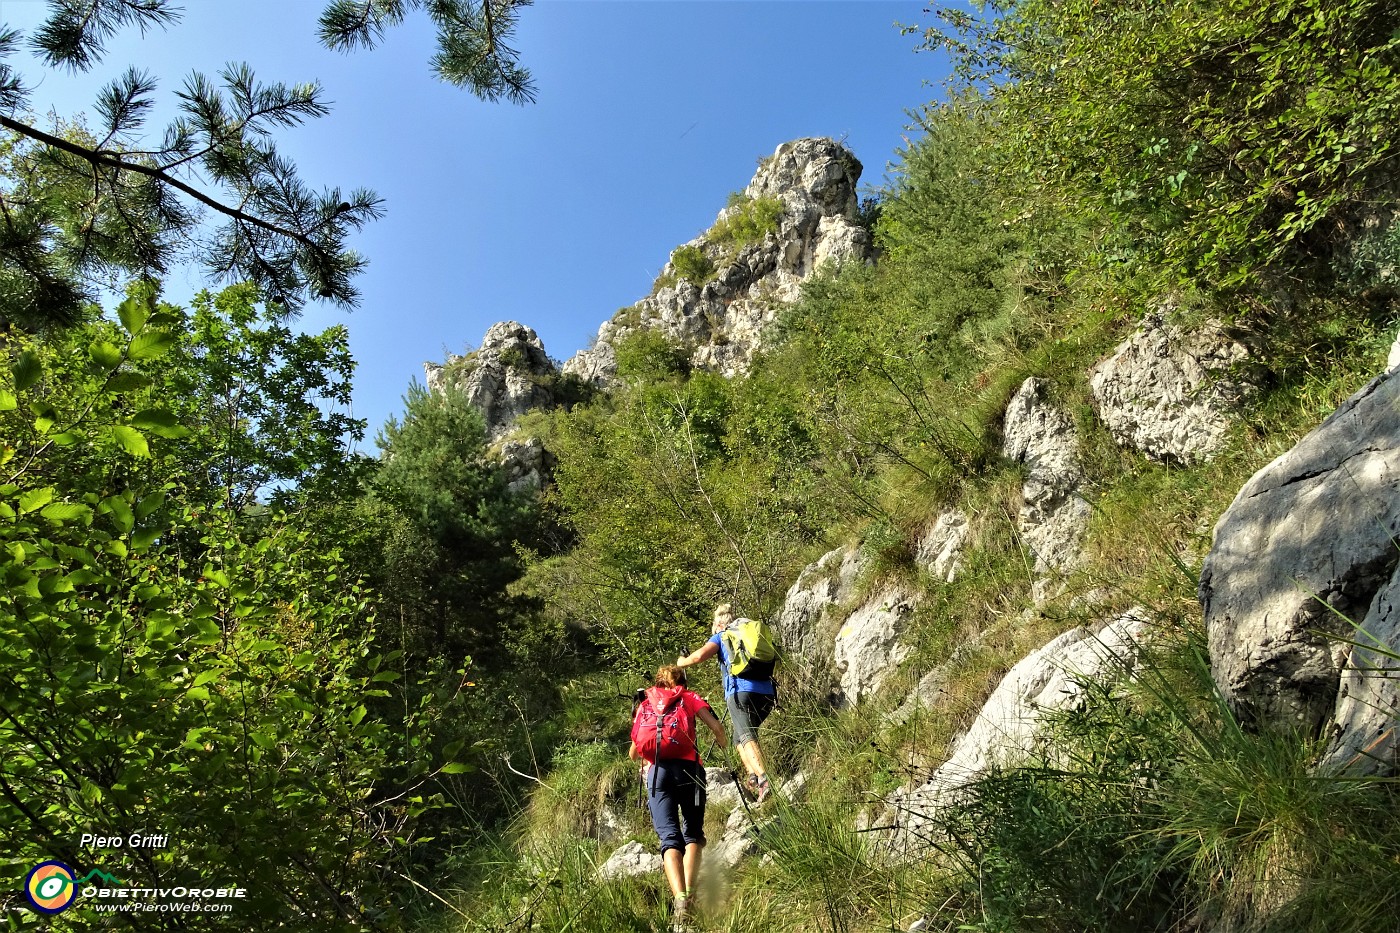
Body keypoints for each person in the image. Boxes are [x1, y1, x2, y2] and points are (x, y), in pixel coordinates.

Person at [629, 664, 727, 928]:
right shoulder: (690, 697)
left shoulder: (645, 704)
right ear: (683, 681)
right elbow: (716, 728)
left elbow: (634, 752)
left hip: (658, 775)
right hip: (691, 773)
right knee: (693, 832)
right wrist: (724, 744)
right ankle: (691, 896)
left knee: (669, 839)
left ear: (657, 682)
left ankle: (680, 901)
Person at [676, 603, 776, 804]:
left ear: (718, 624)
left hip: (740, 692)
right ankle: (753, 777)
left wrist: (681, 662)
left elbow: (698, 656)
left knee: (746, 735)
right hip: (767, 692)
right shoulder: (748, 632)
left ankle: (764, 779)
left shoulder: (722, 635)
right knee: (738, 738)